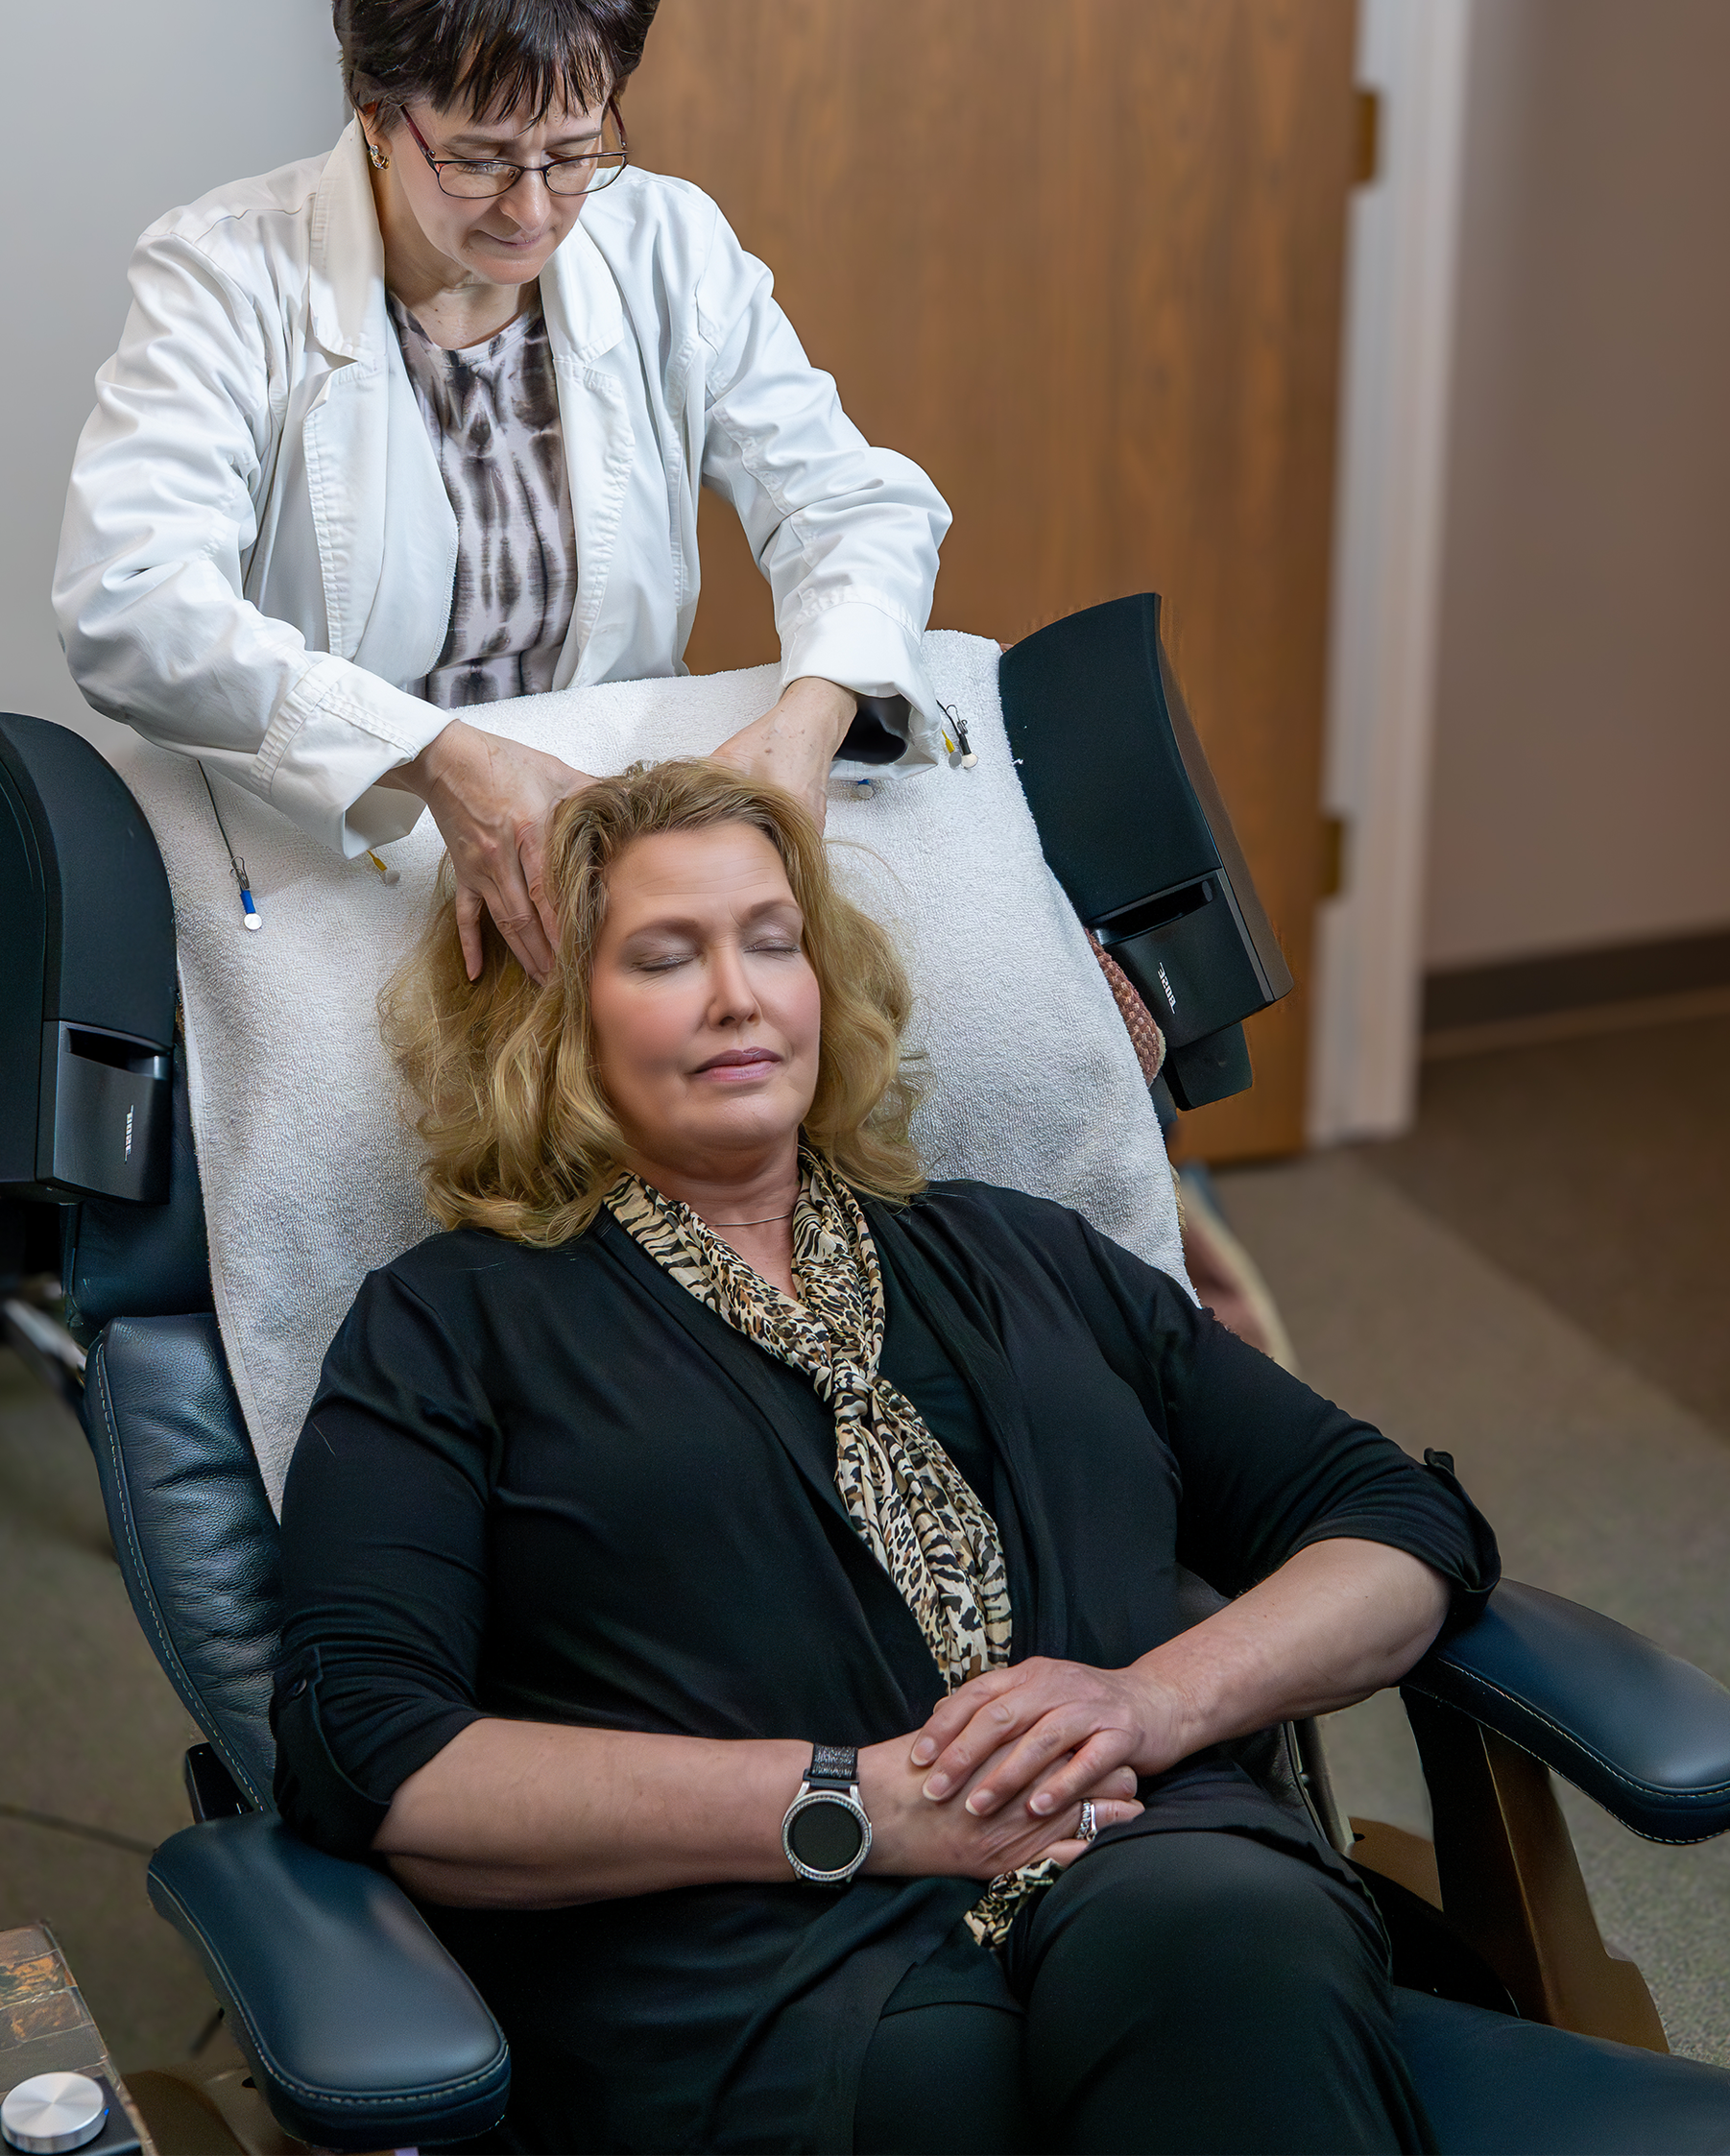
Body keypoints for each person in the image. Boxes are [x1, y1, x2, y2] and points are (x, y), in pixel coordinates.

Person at [273, 759, 1500, 2153]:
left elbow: (1393, 1519)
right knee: (943, 2096)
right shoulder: (450, 1327)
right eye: (667, 956)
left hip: (1145, 1859)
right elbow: (372, 1756)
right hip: (756, 1956)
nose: (739, 994)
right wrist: (851, 1806)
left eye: (773, 942)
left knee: (1227, 1938)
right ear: (553, 1017)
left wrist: (1152, 1705)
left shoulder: (1020, 1252)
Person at [54, 0, 950, 985]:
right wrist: (437, 759)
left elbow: (849, 503)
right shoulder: (228, 275)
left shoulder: (665, 244)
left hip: (604, 846)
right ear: (376, 113)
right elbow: (130, 604)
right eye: (479, 160)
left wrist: (807, 724)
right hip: (352, 845)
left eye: (574, 152)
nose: (533, 212)